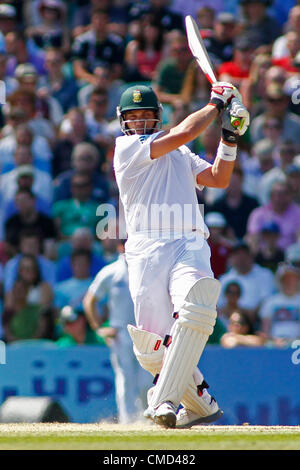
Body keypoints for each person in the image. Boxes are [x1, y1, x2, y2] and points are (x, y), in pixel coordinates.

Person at [113, 82, 250, 428]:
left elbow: (218, 178)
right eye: (134, 117)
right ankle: (201, 403)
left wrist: (229, 139)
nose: (141, 122)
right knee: (151, 350)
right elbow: (186, 130)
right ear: (123, 122)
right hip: (145, 249)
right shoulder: (126, 149)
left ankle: (163, 401)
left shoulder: (180, 153)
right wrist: (216, 105)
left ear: (158, 117)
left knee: (197, 305)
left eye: (147, 116)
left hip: (187, 242)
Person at [83, 239, 152, 424]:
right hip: (120, 333)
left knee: (148, 381)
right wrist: (98, 328)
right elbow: (89, 300)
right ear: (120, 247)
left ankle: (150, 420)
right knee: (126, 379)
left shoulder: (148, 269)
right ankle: (128, 422)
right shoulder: (111, 272)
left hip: (146, 332)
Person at [2, 254, 54, 343]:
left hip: (38, 335)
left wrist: (34, 339)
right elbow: (8, 316)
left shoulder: (45, 287)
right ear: (20, 271)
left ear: (36, 270)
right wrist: (13, 340)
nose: (28, 272)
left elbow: (43, 314)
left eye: (31, 268)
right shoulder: (13, 289)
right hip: (15, 338)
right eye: (25, 269)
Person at [258, 263, 300, 346]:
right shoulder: (270, 302)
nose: (289, 282)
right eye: (286, 279)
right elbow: (265, 328)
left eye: (292, 279)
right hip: (274, 344)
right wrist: (274, 340)